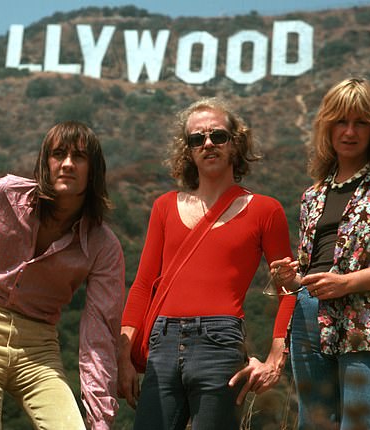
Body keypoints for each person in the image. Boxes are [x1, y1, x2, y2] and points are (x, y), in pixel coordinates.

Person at [117, 97, 297, 430]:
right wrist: (124, 356)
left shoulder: (265, 210)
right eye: (197, 139)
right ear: (187, 150)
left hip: (220, 343)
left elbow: (289, 288)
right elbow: (143, 284)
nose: (208, 144)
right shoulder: (164, 207)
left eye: (218, 135)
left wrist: (277, 356)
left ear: (235, 142)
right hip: (162, 341)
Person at [271, 77, 370, 429]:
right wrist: (291, 278)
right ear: (327, 127)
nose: (350, 131)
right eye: (341, 121)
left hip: (369, 318)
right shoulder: (312, 195)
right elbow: (314, 270)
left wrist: (348, 283)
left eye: (361, 122)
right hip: (309, 316)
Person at [0, 120, 125, 429]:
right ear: (45, 161)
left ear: (94, 169)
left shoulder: (103, 244)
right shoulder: (6, 194)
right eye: (59, 154)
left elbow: (98, 332)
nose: (68, 164)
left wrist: (100, 419)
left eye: (80, 157)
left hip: (39, 347)